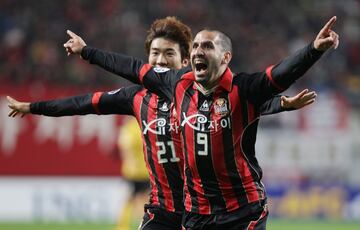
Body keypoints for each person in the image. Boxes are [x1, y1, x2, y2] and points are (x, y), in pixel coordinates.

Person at [8, 17, 318, 230]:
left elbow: (244, 104)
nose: (158, 59)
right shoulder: (136, 98)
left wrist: (279, 104)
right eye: (154, 53)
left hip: (203, 207)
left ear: (184, 61)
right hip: (163, 208)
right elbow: (85, 102)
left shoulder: (197, 89)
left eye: (167, 53)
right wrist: (36, 106)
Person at [116, 117, 149, 230]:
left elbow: (123, 149)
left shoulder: (127, 129)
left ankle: (122, 226)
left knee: (130, 199)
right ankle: (143, 223)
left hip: (131, 171)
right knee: (142, 199)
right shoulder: (143, 127)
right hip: (144, 171)